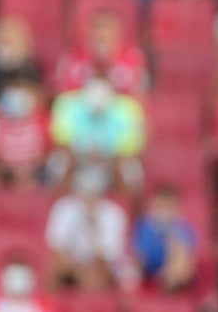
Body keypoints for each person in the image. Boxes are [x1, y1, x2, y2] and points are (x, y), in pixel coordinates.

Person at [47, 78, 146, 190]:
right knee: (59, 163)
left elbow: (131, 149)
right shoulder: (68, 106)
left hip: (110, 160)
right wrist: (81, 156)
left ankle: (124, 199)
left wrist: (108, 159)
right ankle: (60, 196)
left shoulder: (127, 110)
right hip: (80, 159)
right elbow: (62, 143)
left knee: (130, 170)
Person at [44, 163, 130, 291]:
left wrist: (93, 231)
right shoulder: (64, 208)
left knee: (98, 276)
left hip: (100, 265)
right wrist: (78, 269)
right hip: (72, 265)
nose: (89, 196)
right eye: (85, 190)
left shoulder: (114, 214)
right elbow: (58, 248)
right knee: (55, 269)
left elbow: (109, 256)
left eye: (94, 191)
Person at [55, 9, 149, 99]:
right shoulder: (72, 57)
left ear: (118, 33)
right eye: (97, 29)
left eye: (108, 30)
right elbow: (62, 93)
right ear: (89, 32)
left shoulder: (134, 58)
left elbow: (140, 96)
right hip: (81, 106)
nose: (102, 35)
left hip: (119, 106)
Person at [132, 185, 198, 292]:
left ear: (177, 208)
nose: (165, 212)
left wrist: (171, 237)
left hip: (177, 276)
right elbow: (140, 259)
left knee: (180, 256)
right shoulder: (144, 228)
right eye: (161, 206)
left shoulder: (185, 229)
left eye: (169, 207)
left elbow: (187, 261)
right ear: (153, 205)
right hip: (149, 273)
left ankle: (173, 289)